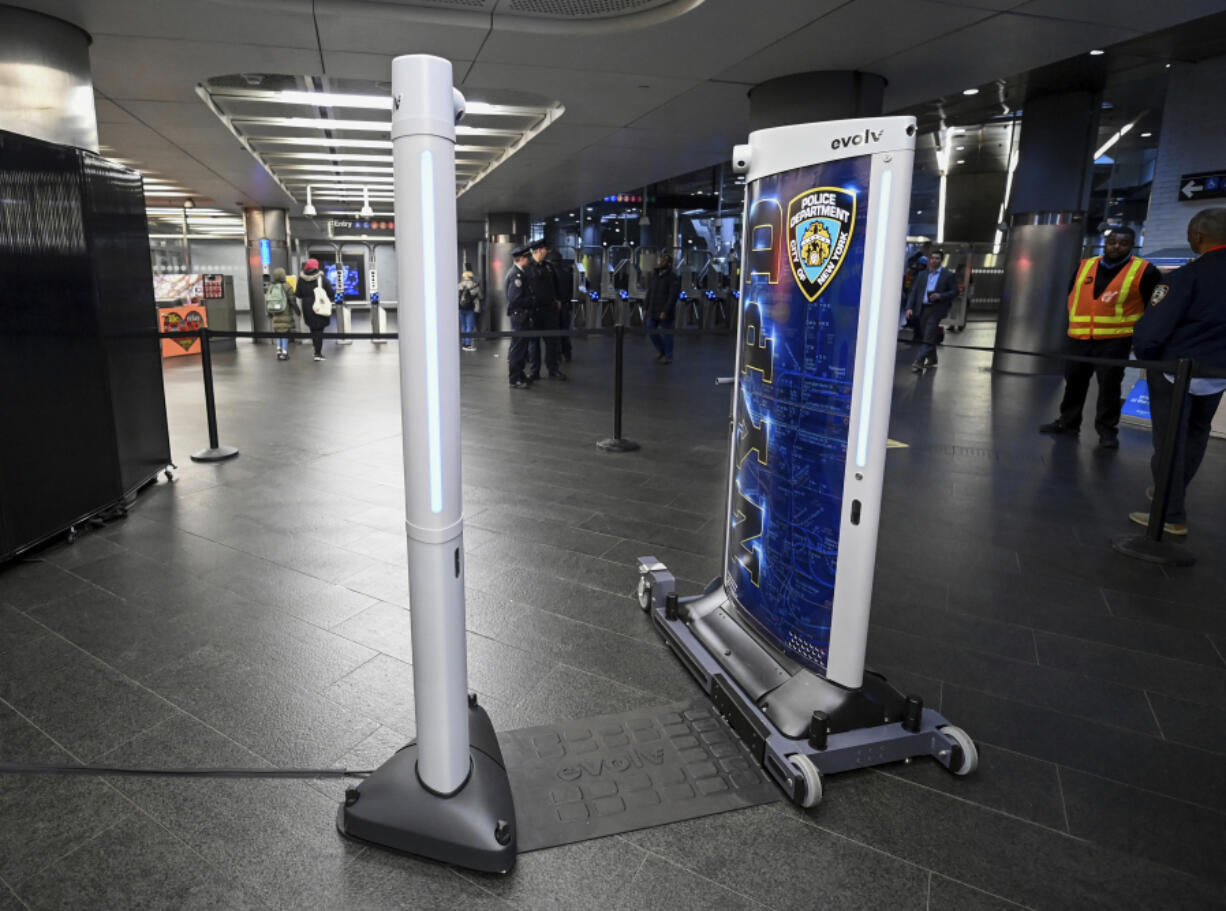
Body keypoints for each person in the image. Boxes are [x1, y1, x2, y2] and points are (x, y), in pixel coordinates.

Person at [1128, 208, 1226, 535]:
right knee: (1197, 435)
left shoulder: (1186, 277)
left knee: (1169, 441)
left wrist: (1150, 359)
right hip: (1217, 373)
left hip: (1176, 371)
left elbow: (1150, 332)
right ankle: (1171, 491)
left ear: (1198, 235)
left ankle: (1170, 514)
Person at [1038, 227, 1161, 449]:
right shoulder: (1085, 266)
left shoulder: (1144, 271)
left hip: (1115, 340)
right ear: (1106, 242)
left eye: (1122, 243)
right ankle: (1068, 423)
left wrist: (1141, 339)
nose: (1116, 246)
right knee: (1074, 382)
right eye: (1112, 241)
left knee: (1109, 387)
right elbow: (1072, 294)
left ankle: (1107, 431)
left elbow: (1154, 307)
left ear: (1132, 245)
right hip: (1079, 337)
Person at [905, 248, 958, 372]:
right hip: (922, 308)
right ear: (930, 259)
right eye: (932, 258)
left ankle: (919, 361)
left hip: (937, 309)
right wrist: (909, 307)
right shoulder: (922, 275)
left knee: (928, 334)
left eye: (937, 258)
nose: (934, 260)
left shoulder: (948, 275)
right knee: (927, 335)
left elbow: (955, 291)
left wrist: (940, 296)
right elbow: (914, 292)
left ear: (941, 260)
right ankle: (933, 359)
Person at [525, 239, 566, 381]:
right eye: (544, 250)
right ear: (537, 250)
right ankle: (534, 371)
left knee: (551, 342)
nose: (546, 252)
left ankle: (553, 370)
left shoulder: (548, 267)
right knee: (533, 343)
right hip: (534, 311)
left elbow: (555, 286)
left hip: (549, 310)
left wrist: (557, 300)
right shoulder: (527, 267)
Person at [644, 252, 681, 364]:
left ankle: (668, 356)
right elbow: (650, 292)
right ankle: (661, 350)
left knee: (667, 334)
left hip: (665, 311)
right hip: (653, 308)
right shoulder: (655, 275)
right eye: (660, 260)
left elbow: (672, 296)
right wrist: (645, 307)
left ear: (669, 264)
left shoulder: (673, 277)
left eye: (663, 261)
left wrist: (665, 311)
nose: (660, 262)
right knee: (650, 328)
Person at [296, 258, 335, 362]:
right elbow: (331, 292)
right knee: (319, 331)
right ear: (316, 266)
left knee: (313, 330)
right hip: (319, 306)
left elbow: (298, 294)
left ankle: (316, 351)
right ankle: (318, 353)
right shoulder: (322, 278)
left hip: (307, 307)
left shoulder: (301, 279)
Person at [505, 245, 533, 389]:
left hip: (521, 315)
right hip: (519, 315)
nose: (529, 259)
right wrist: (531, 301)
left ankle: (520, 375)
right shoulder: (516, 275)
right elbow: (515, 299)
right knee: (517, 347)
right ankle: (514, 378)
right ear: (521, 258)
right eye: (527, 257)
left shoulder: (519, 273)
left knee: (521, 347)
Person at [266, 267, 300, 361]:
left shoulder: (271, 287)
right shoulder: (287, 286)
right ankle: (284, 353)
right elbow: (292, 301)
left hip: (275, 314)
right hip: (285, 312)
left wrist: (269, 313)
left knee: (278, 333)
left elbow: (267, 301)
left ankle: (278, 351)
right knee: (285, 332)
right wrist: (298, 312)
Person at [457, 265, 482, 351]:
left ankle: (464, 343)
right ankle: (468, 345)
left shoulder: (459, 285)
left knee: (463, 325)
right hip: (471, 308)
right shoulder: (475, 285)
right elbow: (481, 296)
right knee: (469, 326)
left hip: (460, 308)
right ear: (472, 276)